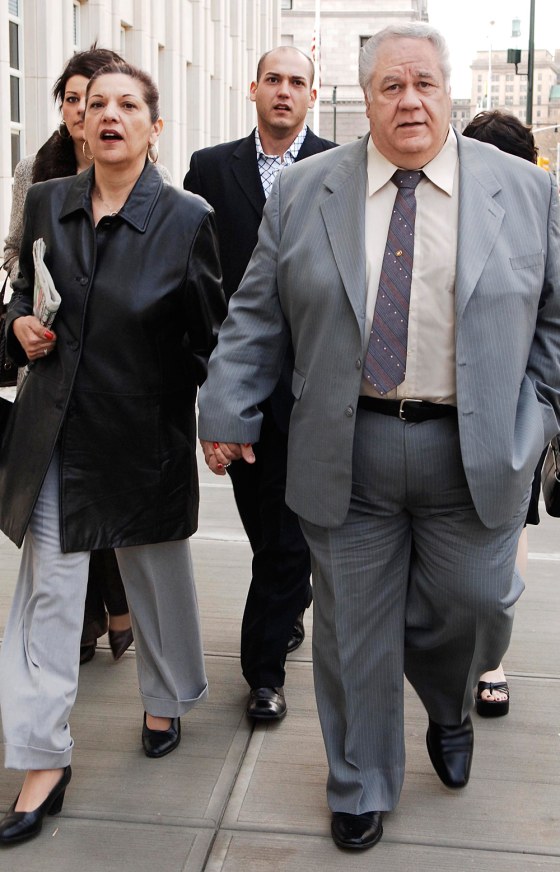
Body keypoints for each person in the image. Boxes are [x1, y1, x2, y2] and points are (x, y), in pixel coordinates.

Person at [196, 23, 560, 851]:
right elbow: (257, 311)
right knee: (351, 627)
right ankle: (360, 779)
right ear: (364, 97)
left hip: (475, 451)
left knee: (474, 608)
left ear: (449, 90)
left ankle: (448, 701)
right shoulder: (306, 190)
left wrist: (541, 410)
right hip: (347, 444)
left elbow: (555, 318)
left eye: (424, 83)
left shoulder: (523, 190)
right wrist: (227, 406)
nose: (409, 101)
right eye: (390, 86)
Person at [0, 61, 226, 846]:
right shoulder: (46, 204)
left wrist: (218, 420)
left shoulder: (188, 218)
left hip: (141, 435)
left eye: (129, 105)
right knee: (49, 600)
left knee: (155, 581)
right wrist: (17, 328)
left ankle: (165, 696)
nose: (110, 115)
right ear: (78, 122)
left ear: (153, 128)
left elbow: (212, 340)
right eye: (97, 104)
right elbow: (24, 298)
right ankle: (41, 762)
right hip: (57, 433)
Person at [2, 46, 173, 665]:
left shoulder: (159, 196)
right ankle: (78, 630)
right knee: (58, 534)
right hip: (52, 377)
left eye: (108, 100)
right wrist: (23, 318)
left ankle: (119, 615)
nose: (90, 111)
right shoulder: (40, 180)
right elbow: (20, 262)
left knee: (110, 522)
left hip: (122, 393)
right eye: (79, 99)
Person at [184, 46, 336, 721]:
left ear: (312, 94)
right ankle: (286, 601)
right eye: (272, 79)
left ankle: (263, 674)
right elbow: (192, 283)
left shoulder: (341, 167)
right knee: (267, 532)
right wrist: (211, 396)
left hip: (318, 387)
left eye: (295, 82)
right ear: (252, 89)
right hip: (242, 383)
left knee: (287, 542)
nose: (283, 91)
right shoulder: (211, 169)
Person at [462, 109, 540, 718]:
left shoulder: (544, 210)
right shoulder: (446, 209)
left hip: (515, 413)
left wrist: (541, 408)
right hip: (447, 411)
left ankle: (492, 661)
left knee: (504, 536)